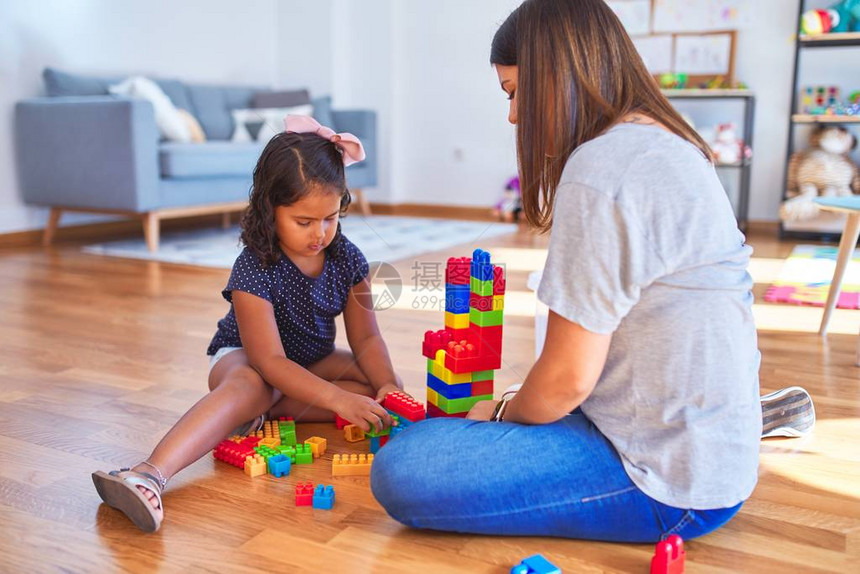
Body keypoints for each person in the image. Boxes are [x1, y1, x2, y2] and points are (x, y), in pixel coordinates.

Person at [371, 0, 813, 542]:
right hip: (710, 454)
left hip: (669, 486)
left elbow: (564, 382)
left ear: (555, 75)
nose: (512, 116)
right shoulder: (663, 141)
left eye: (513, 93)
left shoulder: (602, 169)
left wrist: (500, 419)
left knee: (407, 465)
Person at [93, 116, 403, 533]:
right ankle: (147, 474)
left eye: (330, 218)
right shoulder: (255, 267)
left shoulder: (346, 258)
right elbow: (270, 360)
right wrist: (334, 400)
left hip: (311, 359)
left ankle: (255, 415)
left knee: (368, 393)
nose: (320, 234)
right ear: (270, 210)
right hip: (247, 360)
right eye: (304, 222)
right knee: (257, 386)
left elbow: (366, 338)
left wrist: (388, 389)